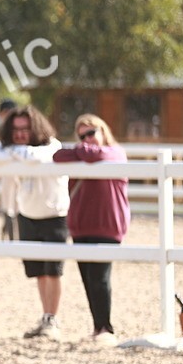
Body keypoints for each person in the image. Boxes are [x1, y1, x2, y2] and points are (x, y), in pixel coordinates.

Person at [0, 105, 69, 339]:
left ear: (35, 128)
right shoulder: (13, 148)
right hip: (27, 214)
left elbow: (37, 158)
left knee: (53, 271)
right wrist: (14, 151)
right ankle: (46, 316)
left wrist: (12, 152)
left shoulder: (52, 145)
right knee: (38, 271)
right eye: (16, 129)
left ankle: (52, 319)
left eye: (25, 129)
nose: (20, 134)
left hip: (54, 215)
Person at [54, 114, 129, 345]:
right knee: (88, 278)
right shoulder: (84, 154)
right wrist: (82, 151)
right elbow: (58, 156)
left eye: (91, 133)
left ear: (103, 131)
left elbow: (97, 155)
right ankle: (98, 327)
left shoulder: (116, 153)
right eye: (81, 137)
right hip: (81, 224)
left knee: (100, 277)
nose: (87, 140)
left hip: (107, 224)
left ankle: (106, 327)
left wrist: (79, 151)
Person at [0, 99, 19, 241]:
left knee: (17, 203)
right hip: (6, 171)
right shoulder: (1, 130)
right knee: (6, 203)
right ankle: (8, 235)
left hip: (18, 171)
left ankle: (13, 235)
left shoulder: (19, 129)